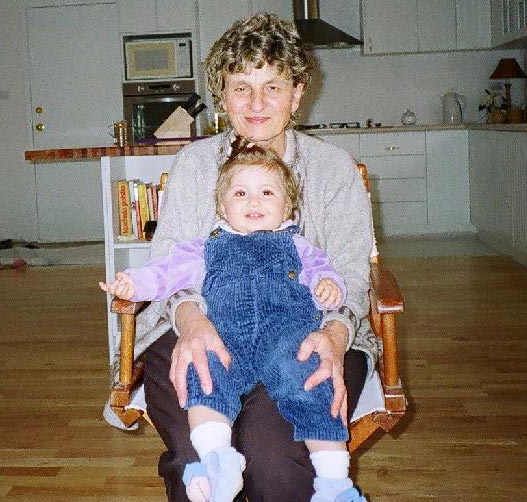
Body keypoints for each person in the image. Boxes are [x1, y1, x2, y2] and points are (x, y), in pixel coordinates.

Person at [112, 12, 379, 501]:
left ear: (297, 94)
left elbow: (351, 274)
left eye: (272, 87)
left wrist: (335, 334)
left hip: (304, 333)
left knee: (273, 458)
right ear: (222, 96)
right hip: (200, 320)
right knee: (194, 442)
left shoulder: (333, 170)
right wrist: (193, 322)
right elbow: (172, 263)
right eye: (241, 88)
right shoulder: (195, 165)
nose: (256, 104)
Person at [101, 141, 363, 501]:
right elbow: (166, 271)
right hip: (226, 337)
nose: (254, 202)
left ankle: (334, 483)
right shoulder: (206, 247)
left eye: (267, 193)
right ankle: (217, 461)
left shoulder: (299, 247)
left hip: (286, 338)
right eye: (241, 193)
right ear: (223, 208)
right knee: (204, 374)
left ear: (287, 207)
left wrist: (328, 287)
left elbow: (327, 275)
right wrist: (134, 283)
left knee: (308, 382)